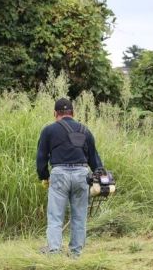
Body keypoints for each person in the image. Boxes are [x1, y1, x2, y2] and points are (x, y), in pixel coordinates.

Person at [36, 98, 104, 257]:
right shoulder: (85, 130)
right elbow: (94, 159)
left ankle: (54, 251)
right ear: (73, 113)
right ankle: (76, 254)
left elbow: (41, 158)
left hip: (59, 175)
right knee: (79, 217)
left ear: (55, 114)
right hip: (82, 175)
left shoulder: (49, 130)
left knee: (55, 217)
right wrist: (101, 177)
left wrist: (44, 176)